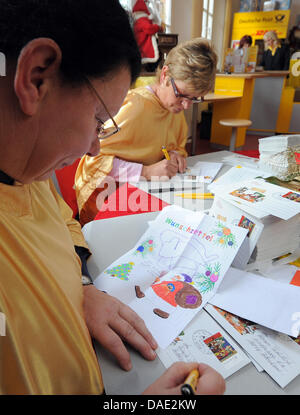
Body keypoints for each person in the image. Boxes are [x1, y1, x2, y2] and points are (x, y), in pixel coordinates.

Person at [0, 0, 225, 395]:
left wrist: (81, 287)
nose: (92, 145)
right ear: (37, 77)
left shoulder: (29, 176)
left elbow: (64, 222)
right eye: (97, 120)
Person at [75, 37, 217, 225]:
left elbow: (171, 145)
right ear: (165, 75)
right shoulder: (134, 107)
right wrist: (146, 171)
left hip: (145, 192)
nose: (186, 105)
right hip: (106, 200)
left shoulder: (173, 109)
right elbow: (93, 162)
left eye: (195, 99)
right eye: (182, 95)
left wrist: (175, 156)